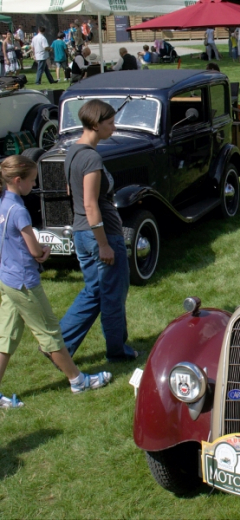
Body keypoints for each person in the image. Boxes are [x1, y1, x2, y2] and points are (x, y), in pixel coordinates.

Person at [0, 155, 113, 408]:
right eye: (31, 181)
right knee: (49, 332)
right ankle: (78, 380)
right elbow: (34, 250)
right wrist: (44, 253)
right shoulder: (19, 210)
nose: (34, 185)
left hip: (6, 279)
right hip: (24, 282)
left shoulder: (2, 203)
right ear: (18, 181)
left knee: (5, 336)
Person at [59, 100, 141, 363]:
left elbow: (72, 192)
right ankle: (117, 350)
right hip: (100, 235)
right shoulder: (91, 157)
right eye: (110, 123)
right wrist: (104, 244)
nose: (114, 128)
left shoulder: (73, 151)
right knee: (113, 294)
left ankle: (58, 345)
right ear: (95, 124)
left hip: (82, 234)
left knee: (94, 291)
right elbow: (89, 203)